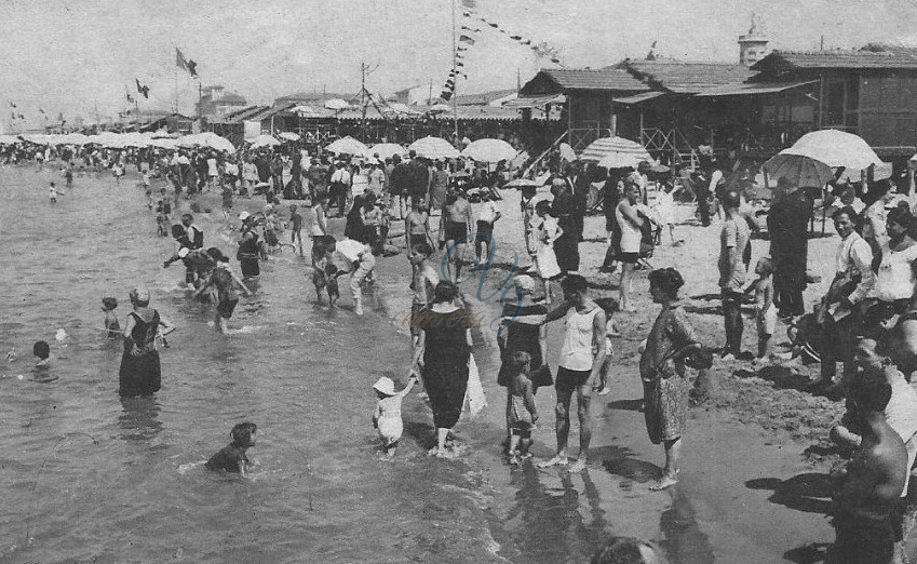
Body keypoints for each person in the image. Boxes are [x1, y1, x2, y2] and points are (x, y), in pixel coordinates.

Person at [827, 366, 907, 564]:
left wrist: (838, 477)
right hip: (876, 534)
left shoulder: (875, 453)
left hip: (865, 544)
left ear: (854, 404)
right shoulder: (886, 437)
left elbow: (845, 499)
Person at [640, 268, 703, 490]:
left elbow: (695, 343)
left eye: (653, 288)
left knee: (670, 427)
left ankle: (669, 473)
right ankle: (671, 468)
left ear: (664, 290)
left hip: (670, 378)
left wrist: (671, 358)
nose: (650, 292)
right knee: (667, 425)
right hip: (662, 378)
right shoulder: (667, 311)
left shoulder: (676, 314)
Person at [538, 274, 607, 473]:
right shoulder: (569, 307)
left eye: (568, 295)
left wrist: (592, 378)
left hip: (585, 369)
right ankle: (561, 454)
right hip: (565, 366)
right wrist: (515, 319)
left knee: (583, 413)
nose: (565, 298)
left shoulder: (598, 314)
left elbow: (602, 349)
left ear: (577, 293)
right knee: (560, 410)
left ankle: (582, 457)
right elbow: (546, 317)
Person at [816, 207, 875, 388]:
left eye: (844, 223)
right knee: (826, 333)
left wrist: (853, 299)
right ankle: (827, 376)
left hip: (851, 301)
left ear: (854, 222)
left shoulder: (858, 245)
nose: (840, 227)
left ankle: (846, 381)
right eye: (837, 224)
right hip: (841, 296)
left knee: (845, 340)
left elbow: (869, 277)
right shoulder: (845, 241)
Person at [413, 281, 473, 457]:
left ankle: (439, 436)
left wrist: (413, 367)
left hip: (433, 364)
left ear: (436, 295)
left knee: (438, 400)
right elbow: (469, 342)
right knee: (453, 401)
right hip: (457, 364)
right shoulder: (462, 314)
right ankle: (441, 445)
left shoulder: (426, 314)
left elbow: (420, 345)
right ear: (454, 296)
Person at [767, 177, 812, 319]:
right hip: (800, 245)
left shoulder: (782, 204)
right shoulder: (806, 201)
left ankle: (786, 309)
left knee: (783, 277)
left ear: (785, 188)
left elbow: (771, 223)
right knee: (797, 275)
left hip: (783, 245)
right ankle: (798, 307)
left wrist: (774, 204)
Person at [118, 287, 175, 397]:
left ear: (133, 301)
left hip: (136, 356)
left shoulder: (133, 316)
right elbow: (171, 326)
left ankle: (133, 411)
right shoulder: (155, 313)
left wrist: (133, 345)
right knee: (148, 389)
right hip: (151, 355)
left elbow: (126, 334)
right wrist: (156, 336)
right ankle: (149, 410)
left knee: (129, 391)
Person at [718, 190, 750, 360]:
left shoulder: (730, 224)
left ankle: (733, 348)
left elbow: (731, 252)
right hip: (740, 268)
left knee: (730, 310)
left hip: (732, 270)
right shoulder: (742, 222)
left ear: (724, 205)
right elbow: (748, 250)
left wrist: (729, 277)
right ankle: (733, 345)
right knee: (734, 309)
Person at [193, 248, 253, 333]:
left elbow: (235, 277)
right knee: (218, 317)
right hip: (228, 297)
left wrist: (246, 289)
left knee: (222, 321)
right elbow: (209, 282)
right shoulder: (216, 268)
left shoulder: (223, 267)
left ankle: (226, 339)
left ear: (212, 257)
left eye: (208, 256)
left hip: (228, 297)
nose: (207, 258)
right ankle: (219, 335)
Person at [503, 350, 539, 466]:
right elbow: (528, 399)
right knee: (526, 434)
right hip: (524, 410)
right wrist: (534, 412)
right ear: (525, 366)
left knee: (516, 432)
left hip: (514, 409)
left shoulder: (513, 379)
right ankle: (524, 453)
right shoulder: (527, 382)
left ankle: (511, 451)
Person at [616, 180, 647, 312]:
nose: (637, 195)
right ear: (627, 192)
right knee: (626, 274)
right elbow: (639, 222)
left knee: (628, 273)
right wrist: (643, 218)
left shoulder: (631, 206)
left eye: (638, 192)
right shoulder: (623, 205)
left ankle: (622, 301)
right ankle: (626, 303)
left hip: (633, 241)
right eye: (634, 192)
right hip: (628, 241)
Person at [372, 372, 418, 458]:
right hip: (396, 427)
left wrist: (375, 424)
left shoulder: (380, 402)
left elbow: (375, 416)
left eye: (378, 392)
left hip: (384, 427)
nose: (377, 394)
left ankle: (385, 455)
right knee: (393, 445)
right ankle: (390, 456)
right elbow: (407, 389)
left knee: (386, 443)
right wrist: (413, 380)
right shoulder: (398, 396)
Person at [408, 243, 439, 350]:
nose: (411, 256)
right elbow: (413, 286)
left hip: (424, 308)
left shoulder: (429, 272)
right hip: (417, 305)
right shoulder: (418, 271)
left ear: (424, 256)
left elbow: (439, 291)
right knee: (414, 333)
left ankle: (419, 362)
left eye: (414, 254)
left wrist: (430, 305)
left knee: (420, 337)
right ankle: (418, 362)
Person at [440, 189, 473, 282]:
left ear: (457, 192)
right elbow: (442, 219)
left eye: (452, 192)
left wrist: (471, 232)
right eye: (449, 192)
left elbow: (470, 217)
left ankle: (458, 274)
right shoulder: (446, 204)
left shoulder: (466, 203)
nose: (450, 194)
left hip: (461, 229)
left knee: (460, 257)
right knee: (451, 257)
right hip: (449, 228)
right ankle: (451, 279)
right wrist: (441, 235)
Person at [335, 238, 375, 316]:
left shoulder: (341, 248)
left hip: (366, 260)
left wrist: (358, 277)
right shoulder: (342, 245)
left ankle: (359, 310)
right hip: (368, 259)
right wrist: (336, 275)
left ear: (330, 244)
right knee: (356, 281)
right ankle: (363, 304)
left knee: (354, 283)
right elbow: (348, 268)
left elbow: (356, 262)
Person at [748, 257, 777, 361]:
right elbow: (746, 292)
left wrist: (763, 312)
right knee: (761, 334)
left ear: (765, 269)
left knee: (767, 333)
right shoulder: (756, 281)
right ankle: (760, 354)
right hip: (759, 309)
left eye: (758, 265)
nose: (756, 267)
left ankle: (766, 355)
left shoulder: (768, 283)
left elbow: (769, 300)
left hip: (767, 310)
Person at [475, 196, 502, 264]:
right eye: (482, 194)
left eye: (484, 194)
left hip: (487, 224)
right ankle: (478, 259)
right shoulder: (482, 202)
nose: (483, 196)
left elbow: (499, 214)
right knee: (477, 242)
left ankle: (488, 259)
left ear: (488, 194)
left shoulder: (492, 203)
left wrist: (492, 220)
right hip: (480, 223)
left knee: (488, 241)